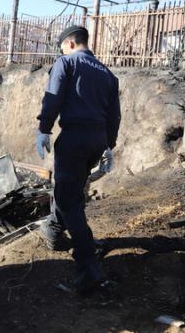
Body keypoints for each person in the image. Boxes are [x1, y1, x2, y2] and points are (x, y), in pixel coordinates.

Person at [35, 25, 121, 295]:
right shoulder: (108, 73)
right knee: (70, 190)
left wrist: (44, 129)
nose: (61, 51)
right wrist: (109, 145)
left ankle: (89, 269)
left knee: (69, 199)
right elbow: (114, 116)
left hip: (73, 138)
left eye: (62, 46)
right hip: (96, 140)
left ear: (70, 44)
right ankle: (52, 229)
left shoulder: (66, 63)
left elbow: (54, 98)